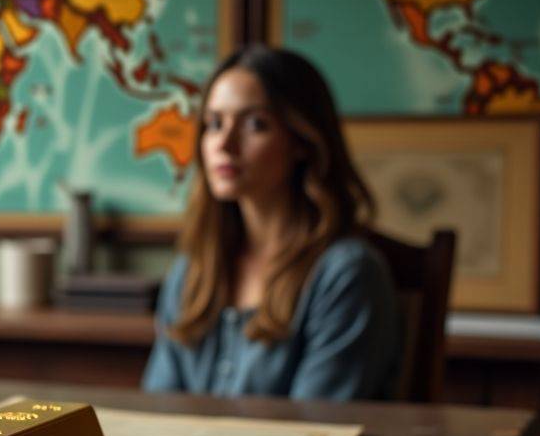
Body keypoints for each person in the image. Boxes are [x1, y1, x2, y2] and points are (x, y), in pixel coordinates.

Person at [142, 44, 402, 400]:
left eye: (255, 124)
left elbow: (318, 429)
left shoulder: (346, 274)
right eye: (214, 123)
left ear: (303, 141)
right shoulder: (191, 271)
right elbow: (158, 409)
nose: (225, 143)